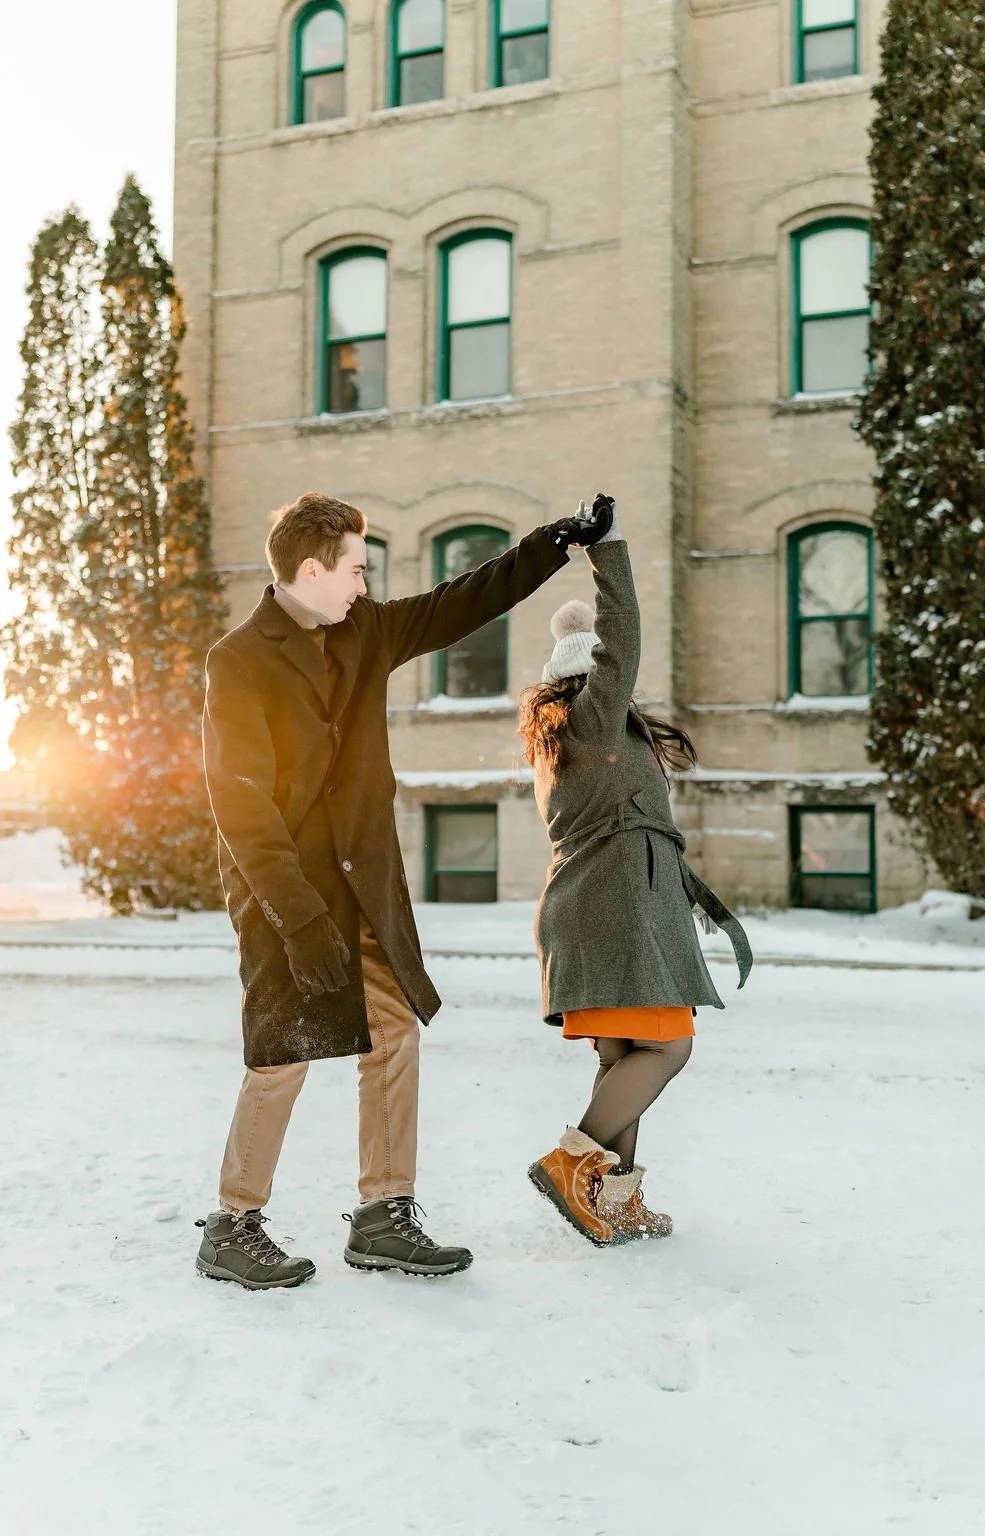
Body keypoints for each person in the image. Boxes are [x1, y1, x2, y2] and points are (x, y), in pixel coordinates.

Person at [195, 490, 613, 1289]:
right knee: (283, 1055)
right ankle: (232, 1222)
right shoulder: (237, 659)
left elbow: (462, 602)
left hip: (365, 881)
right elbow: (239, 803)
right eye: (356, 568)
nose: (364, 583)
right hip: (285, 891)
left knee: (394, 1033)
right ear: (311, 568)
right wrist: (298, 918)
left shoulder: (367, 630)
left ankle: (384, 1214)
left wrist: (555, 541)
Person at [519, 495, 752, 1247]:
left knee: (627, 1053)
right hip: (613, 908)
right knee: (668, 1048)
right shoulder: (591, 720)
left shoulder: (579, 743)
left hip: (606, 907)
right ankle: (571, 1165)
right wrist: (606, 553)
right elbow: (622, 641)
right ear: (587, 685)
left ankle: (613, 1201)